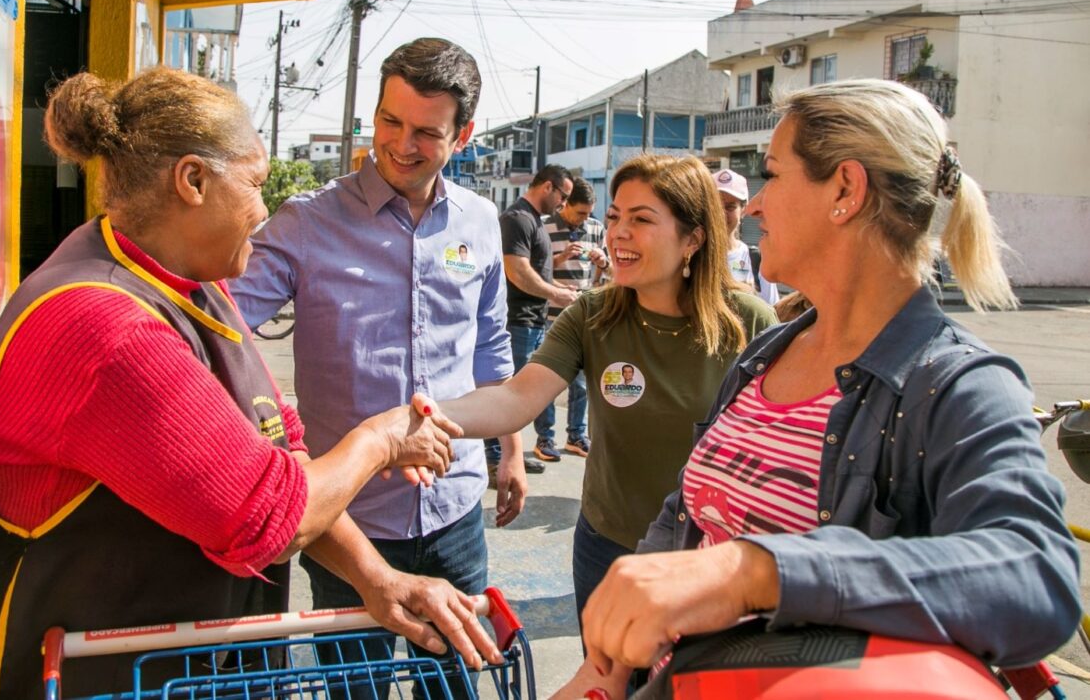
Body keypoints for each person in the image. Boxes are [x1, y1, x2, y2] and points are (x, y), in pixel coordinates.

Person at [0, 67, 498, 700]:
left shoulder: (188, 281)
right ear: (193, 180)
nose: (265, 212)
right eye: (257, 184)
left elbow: (282, 458)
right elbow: (268, 516)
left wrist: (377, 578)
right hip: (102, 678)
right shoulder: (106, 326)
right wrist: (379, 440)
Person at [552, 79, 1080, 699]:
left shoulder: (959, 384)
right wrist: (606, 668)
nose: (752, 208)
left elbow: (1034, 576)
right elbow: (688, 516)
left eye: (773, 176)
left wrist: (758, 571)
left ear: (845, 191)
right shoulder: (767, 352)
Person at [229, 38, 524, 696]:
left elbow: (489, 348)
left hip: (454, 512)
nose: (401, 144)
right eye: (389, 121)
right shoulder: (306, 222)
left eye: (426, 132)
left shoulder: (479, 221)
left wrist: (512, 453)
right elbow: (222, 322)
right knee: (352, 687)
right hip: (351, 526)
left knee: (457, 684)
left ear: (464, 134)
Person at [428, 154, 776, 628]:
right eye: (614, 218)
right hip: (607, 545)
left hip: (710, 556)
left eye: (641, 219)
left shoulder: (749, 321)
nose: (617, 234)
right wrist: (416, 419)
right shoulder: (591, 315)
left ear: (693, 238)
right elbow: (514, 400)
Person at [491, 164, 579, 464]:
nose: (564, 205)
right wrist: (556, 294)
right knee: (508, 393)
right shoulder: (517, 219)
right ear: (548, 187)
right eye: (563, 196)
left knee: (523, 393)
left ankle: (506, 454)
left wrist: (560, 289)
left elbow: (538, 271)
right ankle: (496, 457)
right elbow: (517, 271)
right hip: (517, 321)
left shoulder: (534, 221)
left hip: (533, 321)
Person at [541, 176, 609, 457]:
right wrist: (560, 258)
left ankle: (576, 436)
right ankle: (545, 438)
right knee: (545, 380)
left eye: (588, 213)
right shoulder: (544, 227)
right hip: (551, 315)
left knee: (581, 380)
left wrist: (602, 262)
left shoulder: (595, 228)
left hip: (584, 312)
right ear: (565, 204)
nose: (584, 219)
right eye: (580, 212)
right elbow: (538, 272)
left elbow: (608, 268)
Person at [715, 168, 779, 304]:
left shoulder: (757, 260)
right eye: (715, 206)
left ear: (743, 210)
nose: (721, 213)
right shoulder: (691, 256)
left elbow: (774, 313)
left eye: (730, 207)